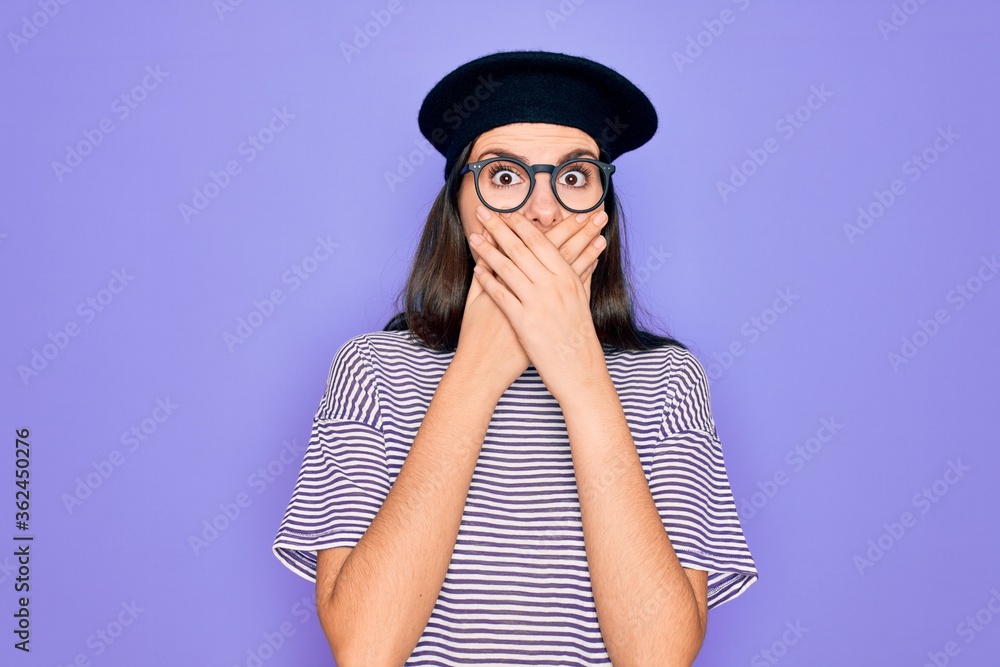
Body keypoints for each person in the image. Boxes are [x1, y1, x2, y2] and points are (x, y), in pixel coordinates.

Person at [272, 49, 758, 666]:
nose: (544, 209)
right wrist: (478, 367)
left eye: (575, 177)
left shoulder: (667, 382)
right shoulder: (374, 372)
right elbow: (367, 649)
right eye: (504, 177)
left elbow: (658, 656)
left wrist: (580, 373)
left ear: (603, 208)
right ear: (457, 205)